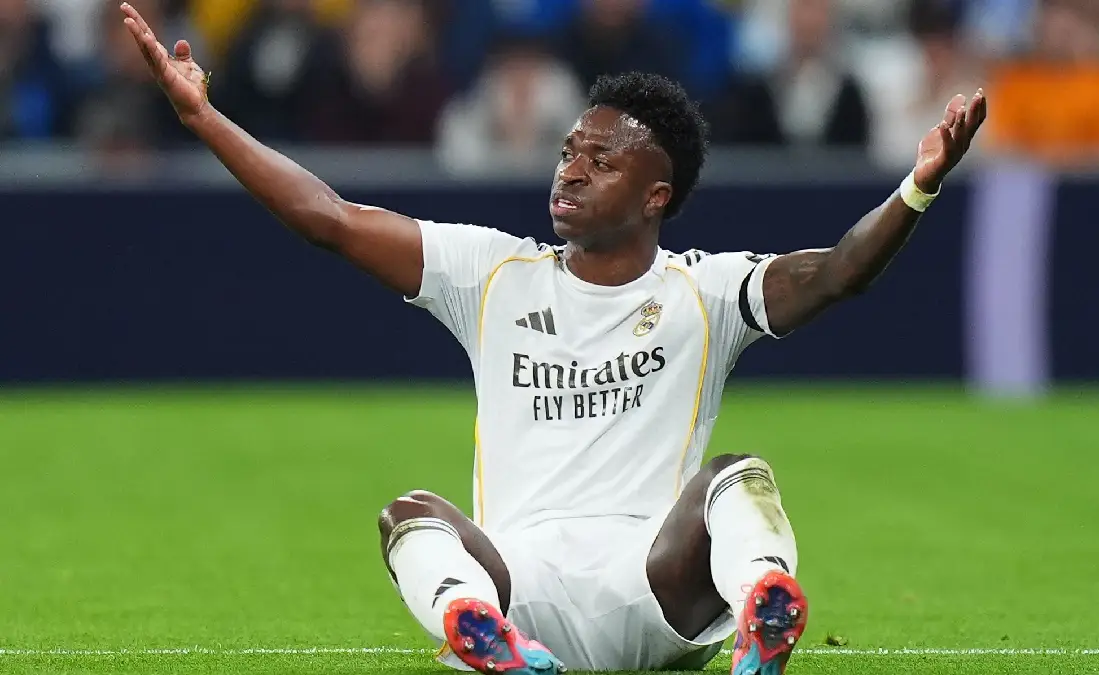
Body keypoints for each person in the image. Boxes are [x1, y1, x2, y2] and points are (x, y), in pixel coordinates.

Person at [116, 3, 986, 674]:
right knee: (409, 515)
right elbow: (332, 220)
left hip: (656, 588)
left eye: (601, 161)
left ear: (656, 195)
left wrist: (916, 187)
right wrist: (206, 120)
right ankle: (481, 629)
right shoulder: (489, 272)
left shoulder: (707, 288)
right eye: (571, 150)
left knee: (734, 477)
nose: (571, 167)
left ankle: (763, 598)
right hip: (519, 591)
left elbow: (838, 271)